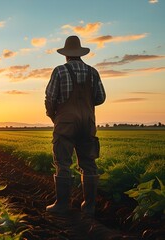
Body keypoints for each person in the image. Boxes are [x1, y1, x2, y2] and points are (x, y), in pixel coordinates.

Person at [44, 35, 106, 216]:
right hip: (87, 123)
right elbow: (100, 98)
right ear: (80, 54)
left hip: (65, 123)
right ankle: (89, 207)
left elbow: (50, 98)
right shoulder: (93, 72)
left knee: (63, 162)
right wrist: (86, 106)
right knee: (88, 163)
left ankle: (62, 205)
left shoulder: (59, 71)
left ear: (66, 55)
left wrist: (53, 116)